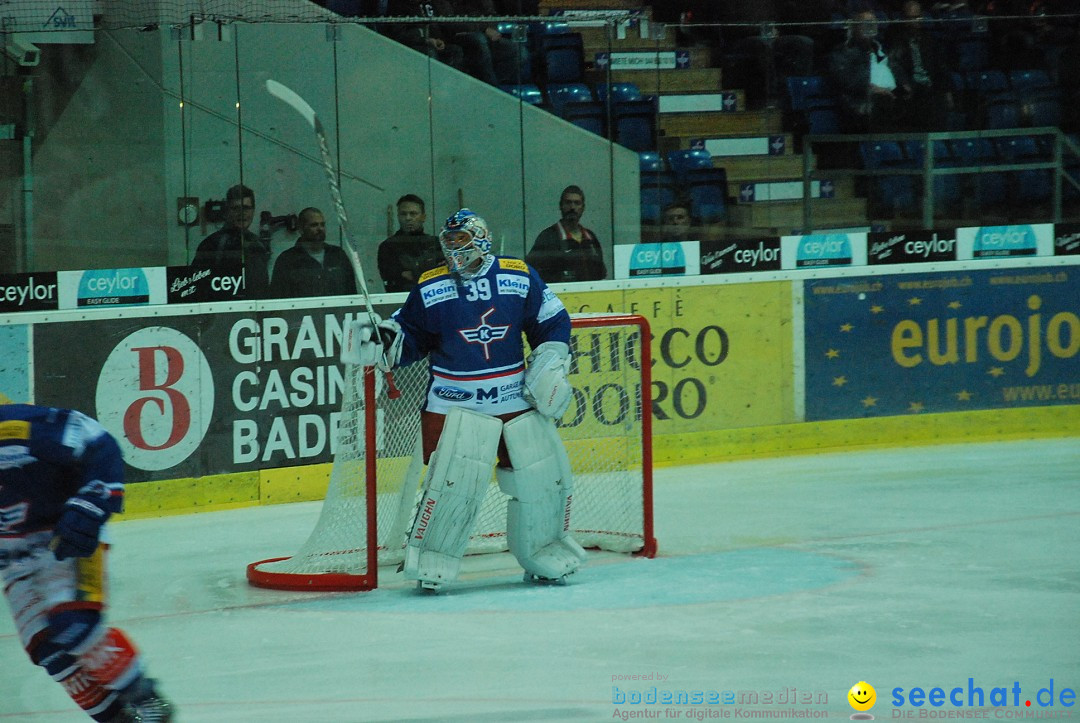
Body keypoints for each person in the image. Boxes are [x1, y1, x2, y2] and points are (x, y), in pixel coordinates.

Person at [345, 209, 586, 592]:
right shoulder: (430, 286)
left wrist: (551, 357)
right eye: (449, 242)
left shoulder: (517, 275)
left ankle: (544, 551)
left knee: (540, 479)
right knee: (453, 485)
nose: (454, 249)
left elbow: (552, 320)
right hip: (453, 401)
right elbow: (412, 336)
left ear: (482, 238)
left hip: (513, 398)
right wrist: (388, 342)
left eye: (462, 240)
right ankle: (432, 560)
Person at [0, 402, 173, 722]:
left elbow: (97, 441)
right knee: (50, 652)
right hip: (13, 558)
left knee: (74, 626)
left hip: (64, 535)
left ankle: (146, 700)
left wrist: (90, 506)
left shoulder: (15, 427)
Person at [827, 5, 912, 133]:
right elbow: (846, 80)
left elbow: (897, 70)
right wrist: (873, 88)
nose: (870, 27)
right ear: (855, 27)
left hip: (893, 99)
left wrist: (905, 84)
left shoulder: (882, 50)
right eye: (865, 23)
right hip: (864, 103)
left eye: (873, 23)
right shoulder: (844, 51)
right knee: (882, 102)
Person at [191, 184, 270, 299]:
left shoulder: (257, 244)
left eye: (246, 208)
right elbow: (198, 289)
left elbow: (263, 288)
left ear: (253, 211)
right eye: (236, 208)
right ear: (227, 210)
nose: (242, 213)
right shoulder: (212, 245)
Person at [268, 207, 357, 299]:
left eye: (322, 225)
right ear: (301, 229)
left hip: (338, 312)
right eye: (314, 225)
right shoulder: (287, 260)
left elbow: (352, 293)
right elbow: (278, 298)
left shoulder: (338, 255)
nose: (320, 229)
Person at [526, 185, 607, 282]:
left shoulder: (591, 239)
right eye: (568, 203)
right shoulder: (548, 237)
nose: (572, 207)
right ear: (561, 206)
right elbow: (531, 272)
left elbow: (601, 273)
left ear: (583, 208)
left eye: (577, 203)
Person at [377, 194, 443, 293]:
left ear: (423, 217)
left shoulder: (437, 244)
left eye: (413, 214)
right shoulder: (388, 246)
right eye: (403, 214)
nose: (408, 218)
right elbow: (391, 275)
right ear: (398, 216)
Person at [383, 0, 466, 72]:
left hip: (436, 42)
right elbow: (399, 35)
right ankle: (434, 87)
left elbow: (445, 23)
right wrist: (425, 39)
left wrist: (439, 40)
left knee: (455, 50)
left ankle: (448, 86)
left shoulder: (431, 3)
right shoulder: (399, 5)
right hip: (412, 46)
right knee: (430, 53)